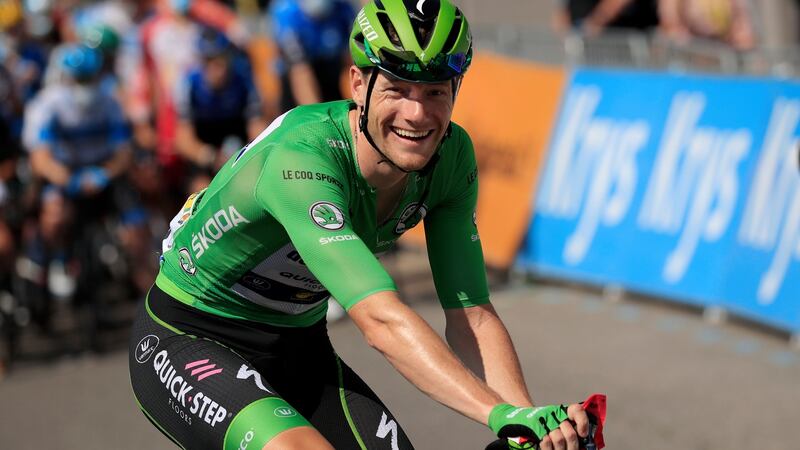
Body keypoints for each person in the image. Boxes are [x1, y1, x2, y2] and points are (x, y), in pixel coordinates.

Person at [128, 1, 594, 449]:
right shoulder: (302, 159)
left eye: (435, 91)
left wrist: (528, 424)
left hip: (297, 345)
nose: (417, 114)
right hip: (191, 336)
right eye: (398, 89)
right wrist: (496, 413)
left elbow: (471, 314)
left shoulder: (451, 157)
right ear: (358, 84)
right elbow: (380, 319)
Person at [174, 27, 265, 193]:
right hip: (204, 144)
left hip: (237, 139)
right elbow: (183, 140)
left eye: (222, 58)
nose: (217, 67)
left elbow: (257, 127)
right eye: (209, 61)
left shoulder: (243, 80)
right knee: (201, 189)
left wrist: (247, 155)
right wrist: (211, 157)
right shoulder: (189, 84)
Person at [269, 0, 355, 112]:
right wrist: (317, 115)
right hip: (297, 77)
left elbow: (350, 64)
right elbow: (300, 71)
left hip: (333, 69)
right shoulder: (286, 13)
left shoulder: (343, 9)